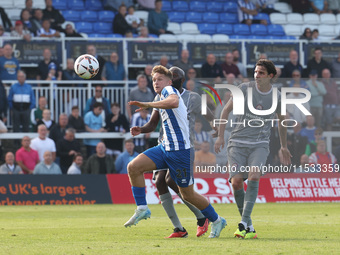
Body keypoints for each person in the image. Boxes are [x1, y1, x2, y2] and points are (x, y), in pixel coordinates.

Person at [124, 65, 226, 239]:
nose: (156, 82)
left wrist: (147, 104)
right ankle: (142, 208)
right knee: (134, 167)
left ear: (171, 81)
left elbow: (174, 102)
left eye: (159, 79)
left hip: (181, 150)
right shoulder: (160, 95)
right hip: (165, 146)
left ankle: (216, 220)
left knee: (188, 194)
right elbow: (153, 122)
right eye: (154, 80)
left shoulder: (172, 92)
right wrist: (140, 129)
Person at [214, 59, 292, 239]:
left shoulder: (277, 96)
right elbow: (225, 111)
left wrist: (283, 146)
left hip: (260, 144)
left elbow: (282, 122)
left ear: (270, 76)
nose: (257, 75)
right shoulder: (244, 89)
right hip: (237, 143)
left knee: (254, 175)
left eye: (261, 73)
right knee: (236, 182)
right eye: (256, 72)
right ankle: (248, 225)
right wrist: (220, 135)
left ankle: (243, 222)